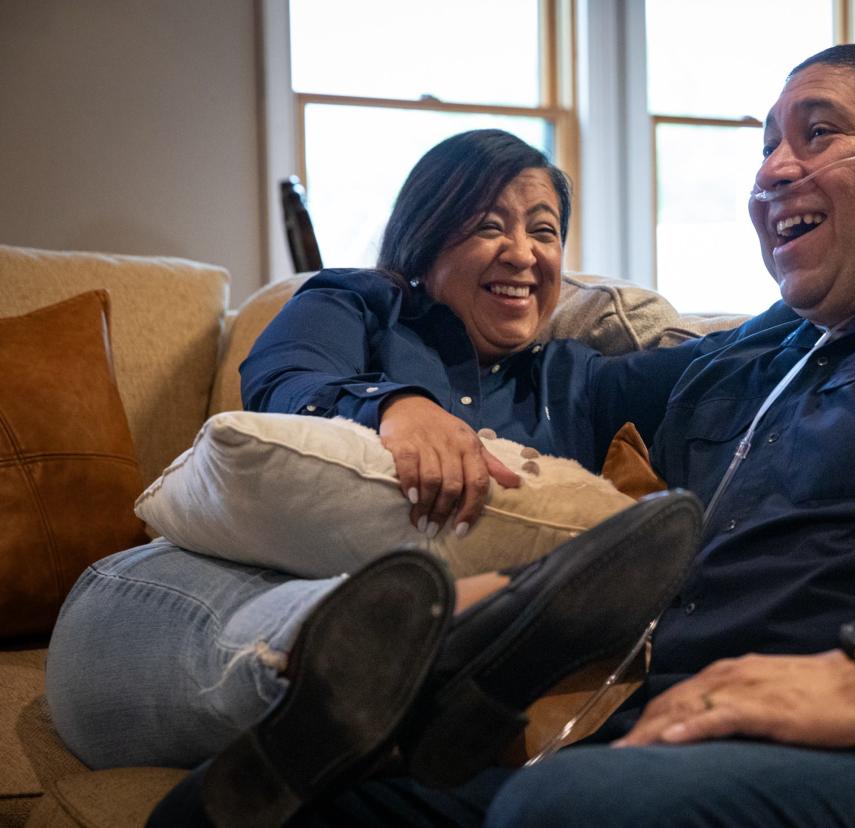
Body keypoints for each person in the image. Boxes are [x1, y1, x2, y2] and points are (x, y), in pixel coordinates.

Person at [252, 43, 855, 826]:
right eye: (765, 148)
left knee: (572, 811)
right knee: (302, 804)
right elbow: (577, 467)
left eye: (818, 132)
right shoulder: (745, 364)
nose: (773, 170)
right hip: (678, 740)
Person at [45, 130, 781, 823]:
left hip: (384, 653)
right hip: (190, 593)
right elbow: (282, 375)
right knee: (200, 619)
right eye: (491, 225)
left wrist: (851, 257)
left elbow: (736, 354)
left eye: (545, 231)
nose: (523, 253)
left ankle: (372, 690)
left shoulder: (576, 384)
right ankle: (401, 649)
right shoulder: (358, 303)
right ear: (426, 236)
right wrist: (396, 405)